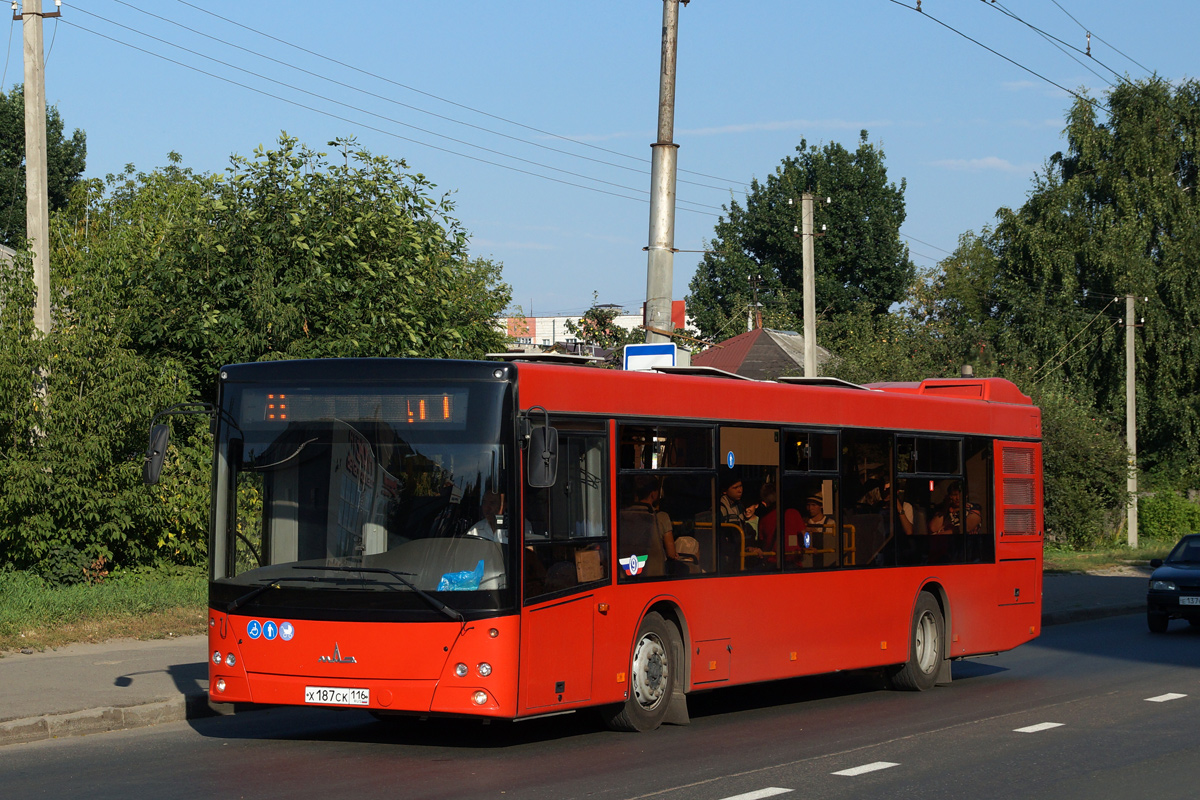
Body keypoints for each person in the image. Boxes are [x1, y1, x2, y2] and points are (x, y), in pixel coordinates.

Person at [618, 476, 676, 577]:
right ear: (653, 494)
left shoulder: (623, 514)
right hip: (656, 572)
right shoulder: (661, 517)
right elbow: (671, 553)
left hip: (627, 571)